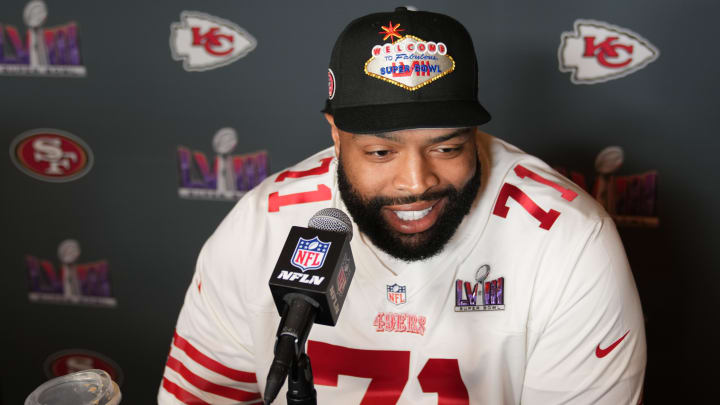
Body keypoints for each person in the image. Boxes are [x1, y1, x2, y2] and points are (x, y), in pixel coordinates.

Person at [158, 7, 646, 404]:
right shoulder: (259, 226)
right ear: (335, 133)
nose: (416, 183)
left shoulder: (567, 238)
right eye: (380, 152)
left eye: (447, 148)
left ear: (474, 135)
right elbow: (202, 398)